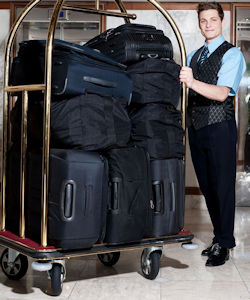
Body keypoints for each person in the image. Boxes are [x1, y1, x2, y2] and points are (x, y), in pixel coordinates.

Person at [179, 1, 246, 267]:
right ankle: (219, 238)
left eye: (213, 20)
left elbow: (221, 93)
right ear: (199, 23)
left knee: (222, 188)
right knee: (208, 187)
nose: (208, 25)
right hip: (196, 128)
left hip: (220, 128)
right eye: (203, 20)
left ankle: (225, 244)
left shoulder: (232, 55)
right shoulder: (193, 56)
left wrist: (192, 81)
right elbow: (187, 92)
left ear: (222, 22)